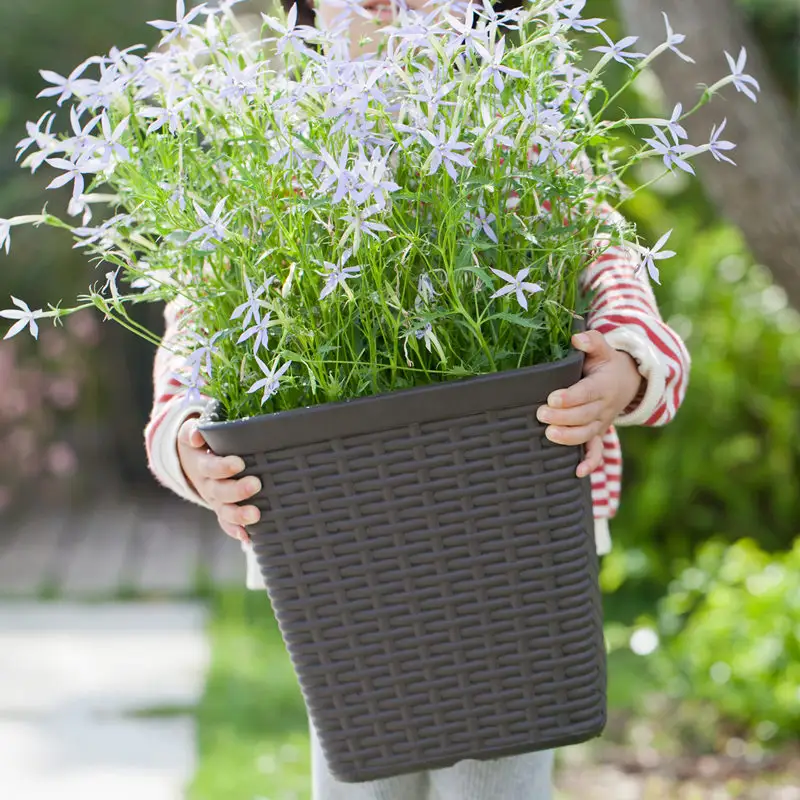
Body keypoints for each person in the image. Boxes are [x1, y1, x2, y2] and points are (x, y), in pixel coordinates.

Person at [145, 1, 691, 797]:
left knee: (498, 774)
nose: (387, 11)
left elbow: (609, 263)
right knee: (361, 771)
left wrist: (629, 370)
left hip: (516, 528)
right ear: (304, 16)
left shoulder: (516, 137)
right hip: (333, 542)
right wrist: (190, 447)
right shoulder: (272, 157)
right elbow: (202, 324)